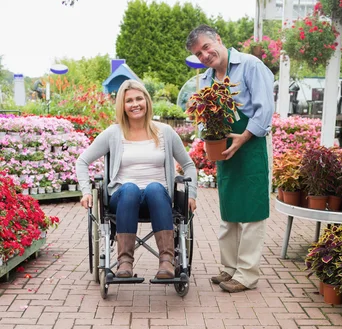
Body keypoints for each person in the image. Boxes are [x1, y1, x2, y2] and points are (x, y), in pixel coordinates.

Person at [76, 80, 197, 279]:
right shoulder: (113, 133)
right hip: (123, 200)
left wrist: (191, 194)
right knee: (130, 188)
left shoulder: (165, 132)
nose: (135, 104)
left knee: (155, 188)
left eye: (139, 98)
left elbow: (189, 165)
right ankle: (125, 262)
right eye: (129, 100)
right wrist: (86, 192)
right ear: (122, 106)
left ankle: (167, 260)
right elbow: (82, 161)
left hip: (157, 201)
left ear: (147, 101)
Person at [186, 25, 274, 293]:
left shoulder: (250, 65)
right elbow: (204, 117)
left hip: (251, 145)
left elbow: (265, 109)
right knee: (230, 210)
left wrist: (243, 137)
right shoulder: (207, 79)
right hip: (226, 148)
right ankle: (230, 268)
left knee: (252, 211)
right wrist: (208, 140)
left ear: (218, 40)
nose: (204, 55)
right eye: (198, 54)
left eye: (205, 48)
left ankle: (247, 274)